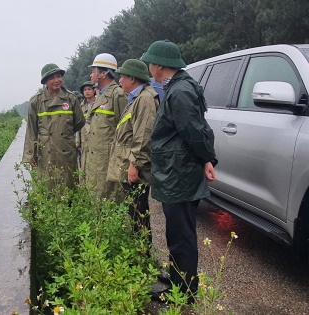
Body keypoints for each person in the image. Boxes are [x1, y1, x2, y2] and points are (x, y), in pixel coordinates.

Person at [141, 40, 218, 301]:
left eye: (150, 62)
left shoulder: (180, 90)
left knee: (182, 235)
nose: (149, 67)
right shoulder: (177, 87)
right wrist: (206, 159)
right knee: (176, 231)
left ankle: (184, 292)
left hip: (179, 173)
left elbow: (194, 131)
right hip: (177, 171)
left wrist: (206, 158)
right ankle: (177, 278)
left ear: (160, 65)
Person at [107, 59, 159, 241]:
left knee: (139, 214)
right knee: (134, 213)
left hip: (135, 166)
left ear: (132, 79)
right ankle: (139, 254)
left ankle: (143, 258)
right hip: (131, 163)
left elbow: (143, 135)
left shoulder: (145, 99)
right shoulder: (136, 98)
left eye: (122, 76)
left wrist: (135, 164)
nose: (120, 80)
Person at [22, 63, 85, 190]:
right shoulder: (36, 101)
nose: (57, 80)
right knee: (47, 185)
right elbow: (31, 130)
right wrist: (30, 154)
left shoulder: (70, 98)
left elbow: (79, 122)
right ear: (45, 81)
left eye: (58, 76)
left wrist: (64, 134)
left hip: (66, 150)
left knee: (69, 185)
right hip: (46, 150)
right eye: (52, 78)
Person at [85, 53, 127, 199]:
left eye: (93, 71)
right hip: (96, 161)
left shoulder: (118, 95)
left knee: (111, 200)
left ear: (103, 73)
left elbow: (126, 129)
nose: (91, 75)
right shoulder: (100, 96)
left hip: (109, 161)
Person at [75, 81, 95, 175]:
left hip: (95, 139)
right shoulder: (81, 107)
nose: (87, 92)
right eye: (85, 90)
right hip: (83, 140)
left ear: (94, 91)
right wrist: (78, 143)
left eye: (89, 89)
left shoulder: (99, 104)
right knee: (83, 166)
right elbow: (78, 125)